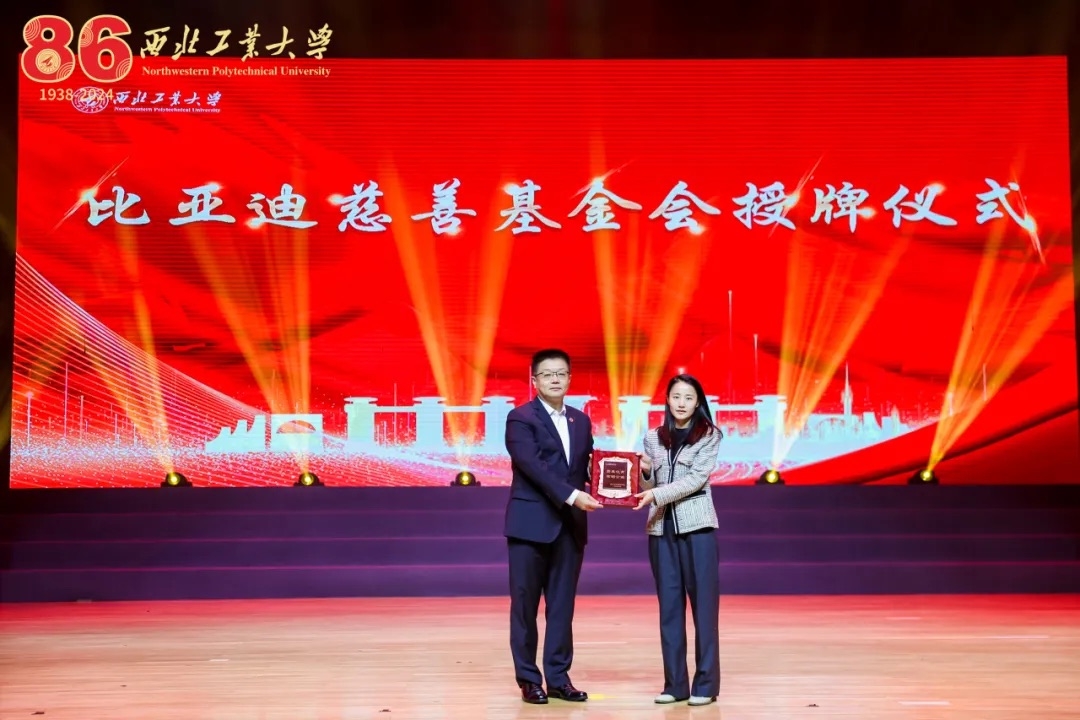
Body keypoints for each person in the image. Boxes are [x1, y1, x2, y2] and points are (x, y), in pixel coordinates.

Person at [504, 348, 603, 705]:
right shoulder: (520, 418)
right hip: (530, 525)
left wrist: (626, 473)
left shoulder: (581, 420)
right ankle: (529, 679)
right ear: (535, 380)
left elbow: (588, 466)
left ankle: (559, 679)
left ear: (570, 378)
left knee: (562, 608)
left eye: (561, 373)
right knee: (525, 607)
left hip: (569, 527)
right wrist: (573, 496)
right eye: (547, 374)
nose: (555, 380)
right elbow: (532, 466)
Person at [633, 373, 723, 706]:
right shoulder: (653, 438)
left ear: (697, 402)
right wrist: (645, 472)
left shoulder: (710, 435)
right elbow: (647, 486)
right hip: (661, 530)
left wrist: (655, 493)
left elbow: (696, 480)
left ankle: (706, 685)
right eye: (676, 397)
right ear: (667, 400)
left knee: (704, 610)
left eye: (688, 397)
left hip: (697, 529)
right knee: (669, 609)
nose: (681, 403)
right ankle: (675, 684)